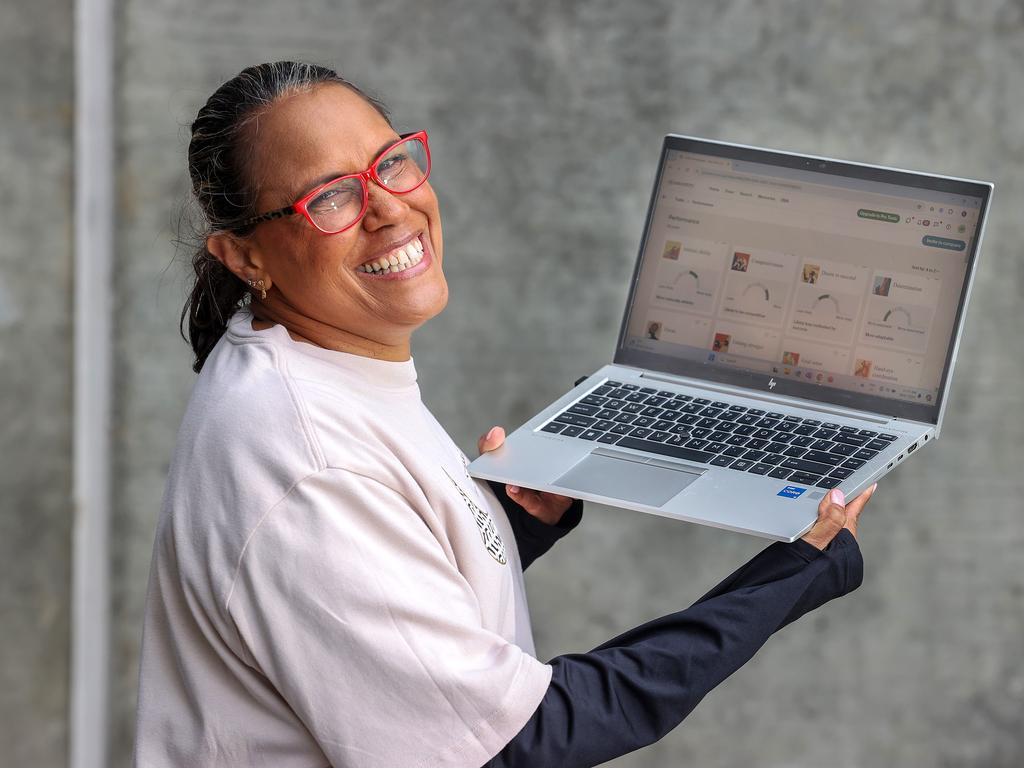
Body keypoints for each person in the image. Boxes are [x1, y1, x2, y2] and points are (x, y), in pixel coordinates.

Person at [133, 61, 876, 767]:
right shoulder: (305, 458)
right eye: (330, 198)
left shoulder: (307, 366)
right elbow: (522, 742)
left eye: (390, 163)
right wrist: (794, 571)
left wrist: (513, 521)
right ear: (244, 258)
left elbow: (368, 615)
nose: (390, 210)